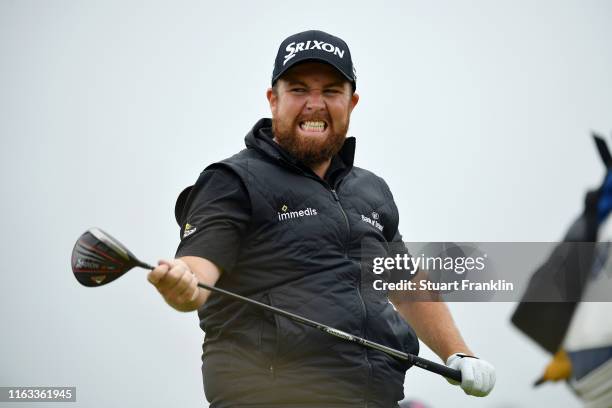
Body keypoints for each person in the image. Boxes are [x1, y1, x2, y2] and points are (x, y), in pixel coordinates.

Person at [147, 30, 496, 407]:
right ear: (273, 99)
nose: (315, 104)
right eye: (298, 90)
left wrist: (459, 353)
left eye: (331, 91)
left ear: (352, 102)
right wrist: (184, 285)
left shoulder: (371, 191)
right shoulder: (232, 180)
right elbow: (198, 271)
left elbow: (404, 283)